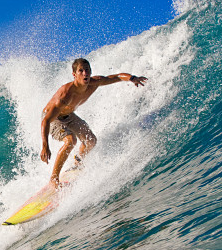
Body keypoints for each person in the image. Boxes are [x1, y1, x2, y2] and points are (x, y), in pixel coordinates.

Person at [40, 58, 147, 187]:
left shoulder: (94, 82)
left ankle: (78, 162)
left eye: (87, 70)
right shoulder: (65, 94)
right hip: (53, 118)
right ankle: (54, 179)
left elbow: (116, 77)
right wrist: (45, 146)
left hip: (68, 115)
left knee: (91, 140)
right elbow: (46, 121)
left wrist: (132, 78)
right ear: (74, 74)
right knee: (70, 141)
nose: (85, 73)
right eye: (81, 71)